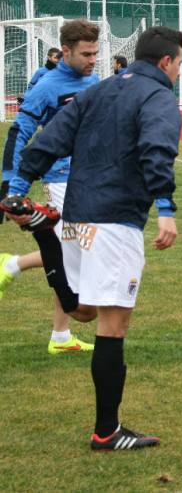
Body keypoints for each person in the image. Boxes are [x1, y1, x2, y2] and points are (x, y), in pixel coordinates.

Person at [1, 25, 182, 449]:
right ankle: (107, 432)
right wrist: (167, 209)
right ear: (165, 61)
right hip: (115, 221)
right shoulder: (158, 97)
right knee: (113, 326)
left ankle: (46, 235)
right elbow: (157, 149)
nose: (177, 71)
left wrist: (19, 183)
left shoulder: (97, 90)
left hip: (78, 216)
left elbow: (52, 139)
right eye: (178, 63)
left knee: (83, 310)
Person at [1, 19, 100, 354]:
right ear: (66, 52)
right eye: (86, 54)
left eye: (95, 53)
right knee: (77, 254)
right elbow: (20, 133)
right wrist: (12, 186)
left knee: (72, 251)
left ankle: (59, 334)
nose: (92, 60)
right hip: (60, 178)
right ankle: (14, 267)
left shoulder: (94, 79)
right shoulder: (46, 86)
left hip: (91, 177)